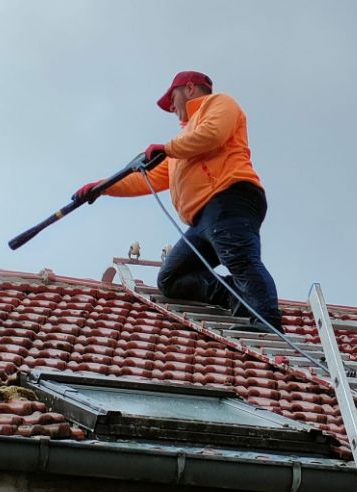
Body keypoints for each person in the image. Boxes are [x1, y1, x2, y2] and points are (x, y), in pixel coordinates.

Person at [73, 71, 282, 333]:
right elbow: (144, 180)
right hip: (202, 219)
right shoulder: (179, 150)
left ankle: (267, 321)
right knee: (171, 278)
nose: (171, 107)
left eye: (172, 98)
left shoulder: (219, 104)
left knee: (241, 260)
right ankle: (236, 298)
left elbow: (213, 134)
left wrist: (167, 148)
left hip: (229, 198)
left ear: (190, 89)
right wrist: (102, 188)